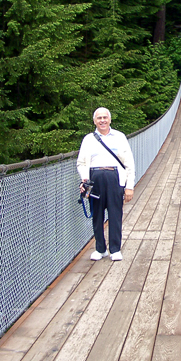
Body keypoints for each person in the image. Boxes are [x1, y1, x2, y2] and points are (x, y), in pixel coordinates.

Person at [77, 107, 135, 261]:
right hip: (94, 179)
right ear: (94, 121)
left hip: (114, 177)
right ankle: (100, 249)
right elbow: (81, 163)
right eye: (99, 118)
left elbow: (129, 163)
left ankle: (115, 249)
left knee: (115, 214)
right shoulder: (88, 139)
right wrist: (84, 179)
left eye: (105, 117)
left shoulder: (119, 137)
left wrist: (129, 186)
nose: (102, 120)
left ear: (109, 119)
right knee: (97, 215)